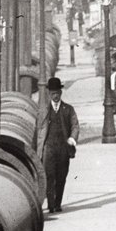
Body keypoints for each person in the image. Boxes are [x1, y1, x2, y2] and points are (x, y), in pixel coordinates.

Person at [36, 77, 79, 214]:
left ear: (61, 93)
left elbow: (75, 126)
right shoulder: (43, 110)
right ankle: (51, 204)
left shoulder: (68, 109)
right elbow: (37, 129)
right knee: (49, 176)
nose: (55, 96)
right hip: (48, 147)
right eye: (53, 93)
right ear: (49, 94)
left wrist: (72, 139)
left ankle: (58, 203)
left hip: (63, 148)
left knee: (61, 176)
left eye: (57, 93)